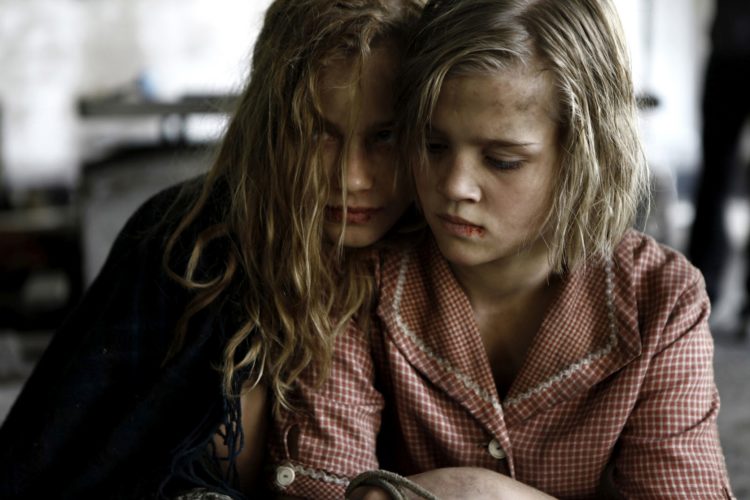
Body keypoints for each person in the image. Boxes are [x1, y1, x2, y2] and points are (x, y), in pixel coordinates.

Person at [268, 0, 735, 498]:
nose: (455, 186)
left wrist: (477, 491)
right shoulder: (357, 279)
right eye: (434, 146)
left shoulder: (660, 300)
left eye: (502, 160)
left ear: (586, 153)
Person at [0, 0, 421, 498]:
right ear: (269, 125)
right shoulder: (188, 242)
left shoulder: (444, 261)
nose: (352, 178)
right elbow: (56, 462)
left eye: (385, 136)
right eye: (316, 132)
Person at [687, 0, 750, 338]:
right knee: (714, 180)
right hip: (728, 48)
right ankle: (697, 299)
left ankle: (698, 299)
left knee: (714, 179)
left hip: (728, 48)